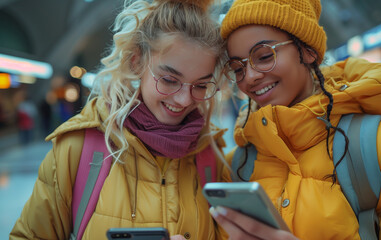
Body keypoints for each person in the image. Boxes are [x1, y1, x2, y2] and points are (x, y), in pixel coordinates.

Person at [210, 0, 381, 239]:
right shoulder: (238, 165)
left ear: (308, 51)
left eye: (264, 56)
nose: (249, 77)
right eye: (238, 68)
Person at [10, 0, 226, 239]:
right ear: (136, 63)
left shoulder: (211, 153)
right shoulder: (78, 148)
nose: (185, 100)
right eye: (169, 80)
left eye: (201, 85)